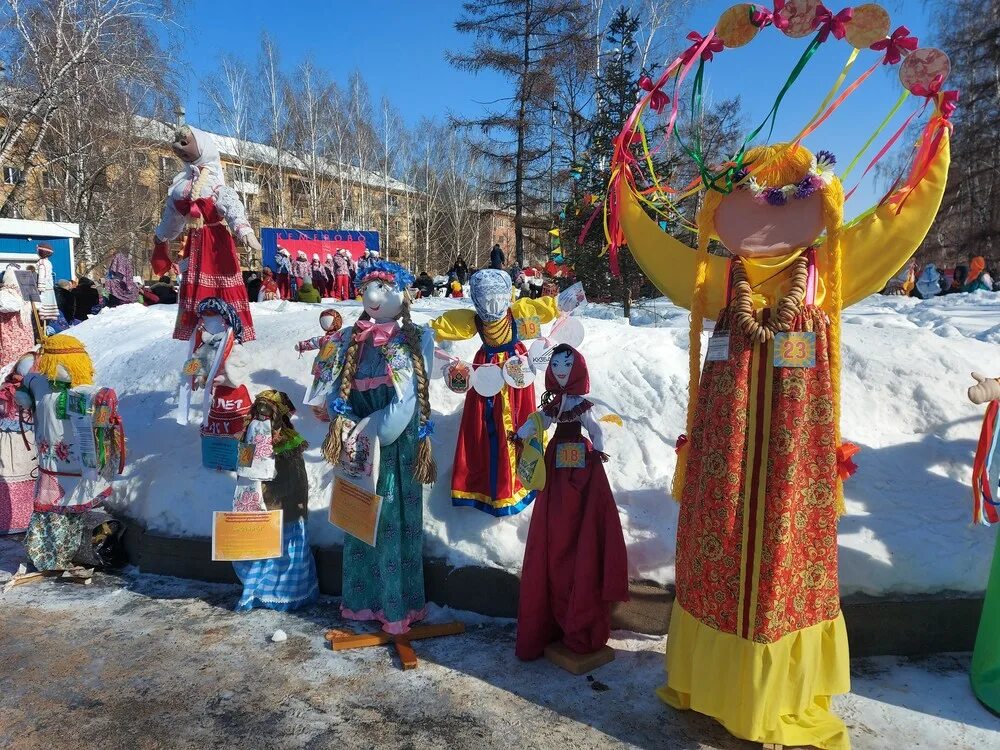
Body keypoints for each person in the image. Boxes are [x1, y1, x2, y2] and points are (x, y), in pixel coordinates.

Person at [321, 260, 436, 633]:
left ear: (402, 293)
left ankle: (396, 607)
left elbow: (407, 400)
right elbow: (336, 386)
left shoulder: (416, 338)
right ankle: (363, 602)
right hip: (358, 441)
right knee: (358, 514)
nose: (373, 296)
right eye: (367, 288)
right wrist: (341, 419)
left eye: (383, 288)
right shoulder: (350, 339)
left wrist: (375, 431)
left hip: (392, 446)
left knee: (388, 518)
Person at [513, 344, 628, 661]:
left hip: (581, 464)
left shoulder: (581, 405)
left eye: (567, 365)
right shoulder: (554, 405)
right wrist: (522, 433)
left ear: (577, 368)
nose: (561, 370)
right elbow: (540, 420)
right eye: (556, 365)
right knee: (558, 520)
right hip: (557, 465)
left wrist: (599, 449)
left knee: (582, 518)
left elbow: (594, 427)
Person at [430, 269, 559, 516]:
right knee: (486, 420)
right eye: (485, 298)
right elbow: (448, 324)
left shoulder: (516, 312)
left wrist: (556, 306)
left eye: (497, 297)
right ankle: (488, 481)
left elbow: (543, 309)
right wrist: (428, 330)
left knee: (517, 416)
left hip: (516, 367)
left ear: (507, 294)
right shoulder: (476, 320)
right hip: (486, 371)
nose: (492, 303)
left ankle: (521, 475)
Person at [151, 125, 259, 342]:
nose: (179, 147)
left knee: (221, 281)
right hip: (195, 242)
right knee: (196, 283)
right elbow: (172, 217)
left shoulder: (214, 183)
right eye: (177, 144)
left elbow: (232, 206)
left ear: (202, 147)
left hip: (217, 243)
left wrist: (244, 230)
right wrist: (162, 236)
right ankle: (198, 331)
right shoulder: (180, 186)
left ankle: (231, 329)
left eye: (185, 143)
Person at [0, 264, 35, 369]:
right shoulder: (25, 294)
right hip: (24, 337)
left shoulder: (7, 294)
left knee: (10, 365)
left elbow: (7, 305)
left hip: (10, 338)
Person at [35, 243, 59, 322]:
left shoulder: (42, 262)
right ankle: (46, 323)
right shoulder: (48, 262)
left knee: (43, 307)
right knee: (48, 307)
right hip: (49, 286)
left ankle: (44, 324)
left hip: (44, 288)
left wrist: (40, 287)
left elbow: (42, 275)